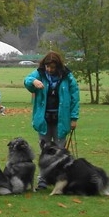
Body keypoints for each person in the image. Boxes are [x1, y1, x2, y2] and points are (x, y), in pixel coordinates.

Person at [24, 51, 80, 190]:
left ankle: (61, 180)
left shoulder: (68, 77)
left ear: (58, 66)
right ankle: (42, 179)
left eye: (53, 67)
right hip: (43, 120)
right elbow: (27, 81)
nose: (50, 70)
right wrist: (34, 81)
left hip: (62, 120)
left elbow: (75, 98)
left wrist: (74, 118)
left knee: (60, 151)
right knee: (44, 150)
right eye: (48, 67)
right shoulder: (39, 74)